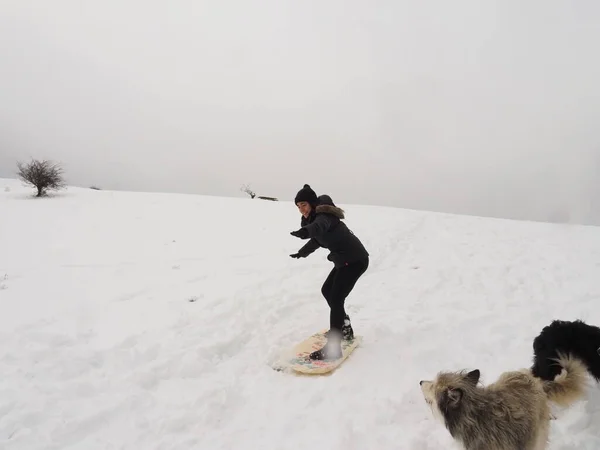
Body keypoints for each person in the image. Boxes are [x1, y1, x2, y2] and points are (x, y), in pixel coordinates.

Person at [289, 184, 369, 360]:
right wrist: (302, 253)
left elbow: (318, 228)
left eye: (303, 204)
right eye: (298, 206)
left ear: (311, 203)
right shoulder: (313, 219)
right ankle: (345, 328)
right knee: (327, 291)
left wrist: (305, 232)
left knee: (337, 298)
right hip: (345, 261)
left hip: (355, 261)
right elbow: (318, 240)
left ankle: (333, 347)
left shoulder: (325, 217)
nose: (301, 209)